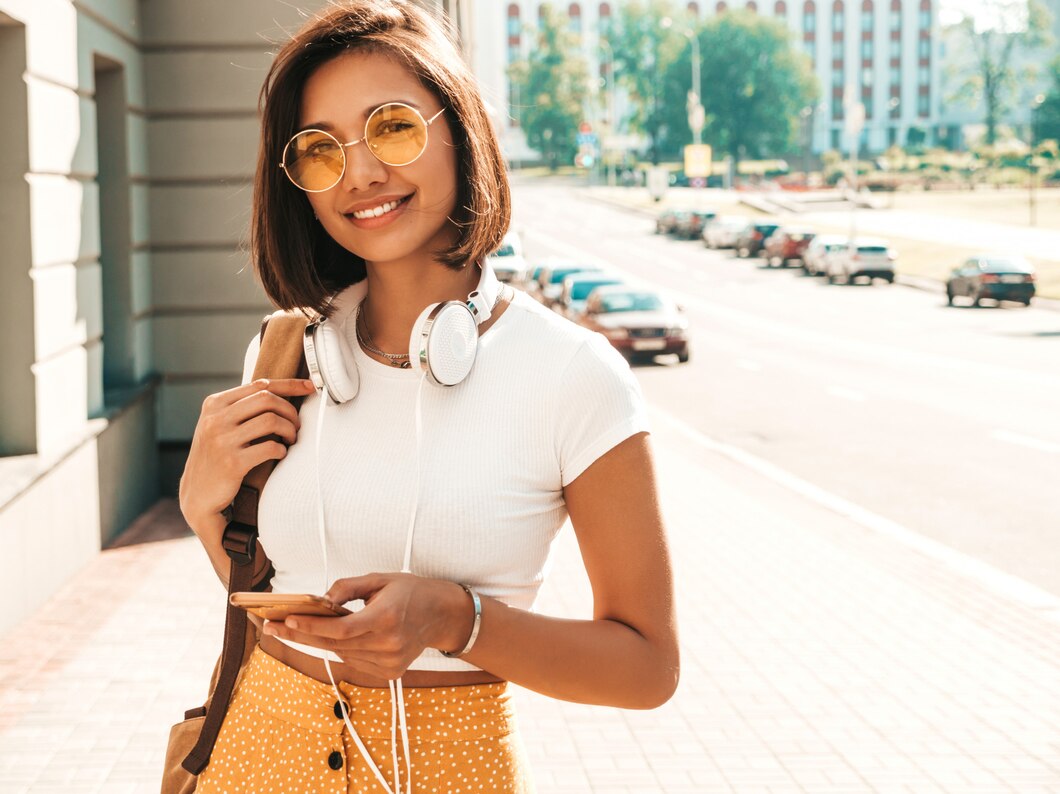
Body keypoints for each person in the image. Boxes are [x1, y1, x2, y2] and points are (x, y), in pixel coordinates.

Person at [178, 2, 679, 792]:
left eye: (393, 128)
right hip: (255, 753)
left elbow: (646, 668)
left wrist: (457, 619)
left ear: (460, 127)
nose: (362, 173)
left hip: (449, 767)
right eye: (320, 152)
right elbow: (266, 601)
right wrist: (203, 509)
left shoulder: (573, 374)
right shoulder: (282, 351)